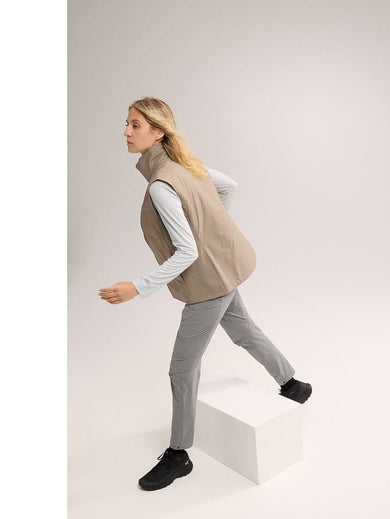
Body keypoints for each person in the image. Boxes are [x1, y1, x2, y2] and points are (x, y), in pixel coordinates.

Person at [98, 97, 312, 491]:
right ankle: (293, 385)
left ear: (158, 132)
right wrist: (211, 227)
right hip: (226, 269)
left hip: (208, 286)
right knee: (244, 330)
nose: (126, 132)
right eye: (126, 123)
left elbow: (187, 252)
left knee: (181, 370)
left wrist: (137, 287)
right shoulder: (185, 165)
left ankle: (179, 454)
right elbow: (229, 187)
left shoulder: (162, 185)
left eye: (135, 125)